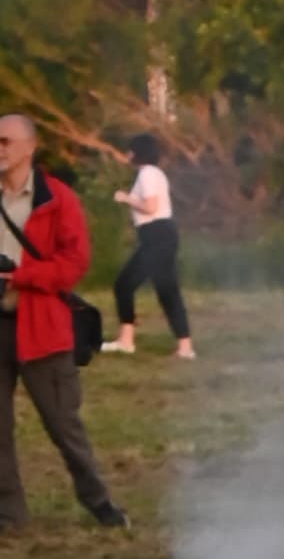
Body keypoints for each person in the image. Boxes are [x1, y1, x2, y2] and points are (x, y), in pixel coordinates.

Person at [0, 114, 127, 533]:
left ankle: (100, 503)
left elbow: (74, 264)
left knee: (64, 427)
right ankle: (10, 516)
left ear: (29, 147)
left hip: (41, 327)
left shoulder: (57, 198)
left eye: (5, 142)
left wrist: (18, 276)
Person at [106, 140, 194, 362]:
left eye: (130, 150)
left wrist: (126, 198)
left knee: (124, 284)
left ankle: (127, 341)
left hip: (157, 235)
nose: (127, 154)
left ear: (138, 153)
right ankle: (185, 347)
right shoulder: (153, 173)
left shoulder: (148, 174)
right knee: (166, 289)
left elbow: (150, 207)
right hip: (159, 235)